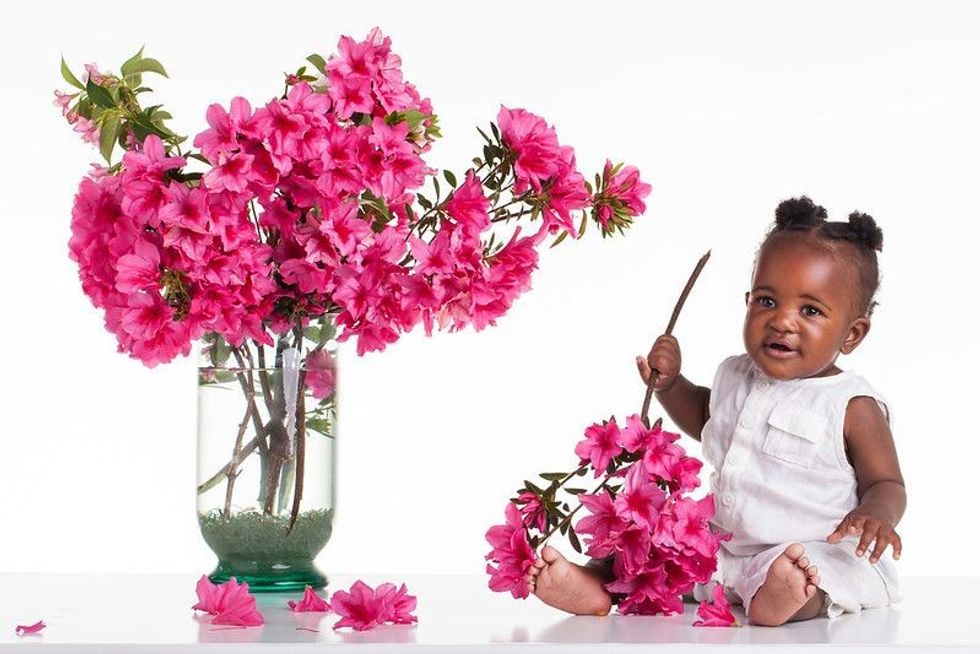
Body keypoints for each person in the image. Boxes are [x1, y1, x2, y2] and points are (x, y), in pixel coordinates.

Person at [525, 196, 904, 625]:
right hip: (722, 547)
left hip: (805, 549)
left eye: (810, 310)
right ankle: (597, 583)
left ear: (852, 334)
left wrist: (877, 514)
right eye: (766, 301)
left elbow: (886, 481)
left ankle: (792, 598)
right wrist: (671, 385)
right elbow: (708, 418)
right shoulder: (734, 374)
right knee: (656, 546)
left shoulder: (851, 404)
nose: (782, 321)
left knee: (815, 573)